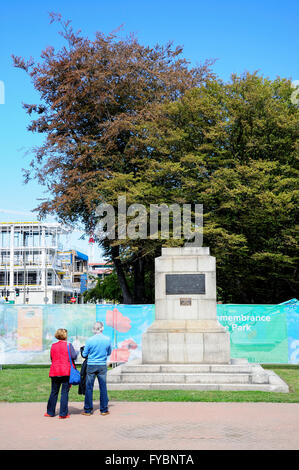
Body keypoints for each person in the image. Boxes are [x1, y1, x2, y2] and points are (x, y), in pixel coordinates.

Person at [45, 328, 78, 419]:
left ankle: (50, 412)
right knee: (64, 393)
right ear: (65, 335)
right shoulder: (68, 345)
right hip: (66, 371)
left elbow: (52, 358)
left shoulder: (53, 346)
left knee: (54, 392)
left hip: (55, 371)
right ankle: (63, 414)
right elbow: (74, 356)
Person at [81, 321, 112, 416]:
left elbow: (84, 354)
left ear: (93, 329)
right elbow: (109, 352)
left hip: (91, 365)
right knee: (103, 387)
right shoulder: (107, 339)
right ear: (102, 328)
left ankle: (88, 410)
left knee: (89, 387)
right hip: (102, 365)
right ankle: (104, 409)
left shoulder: (89, 340)